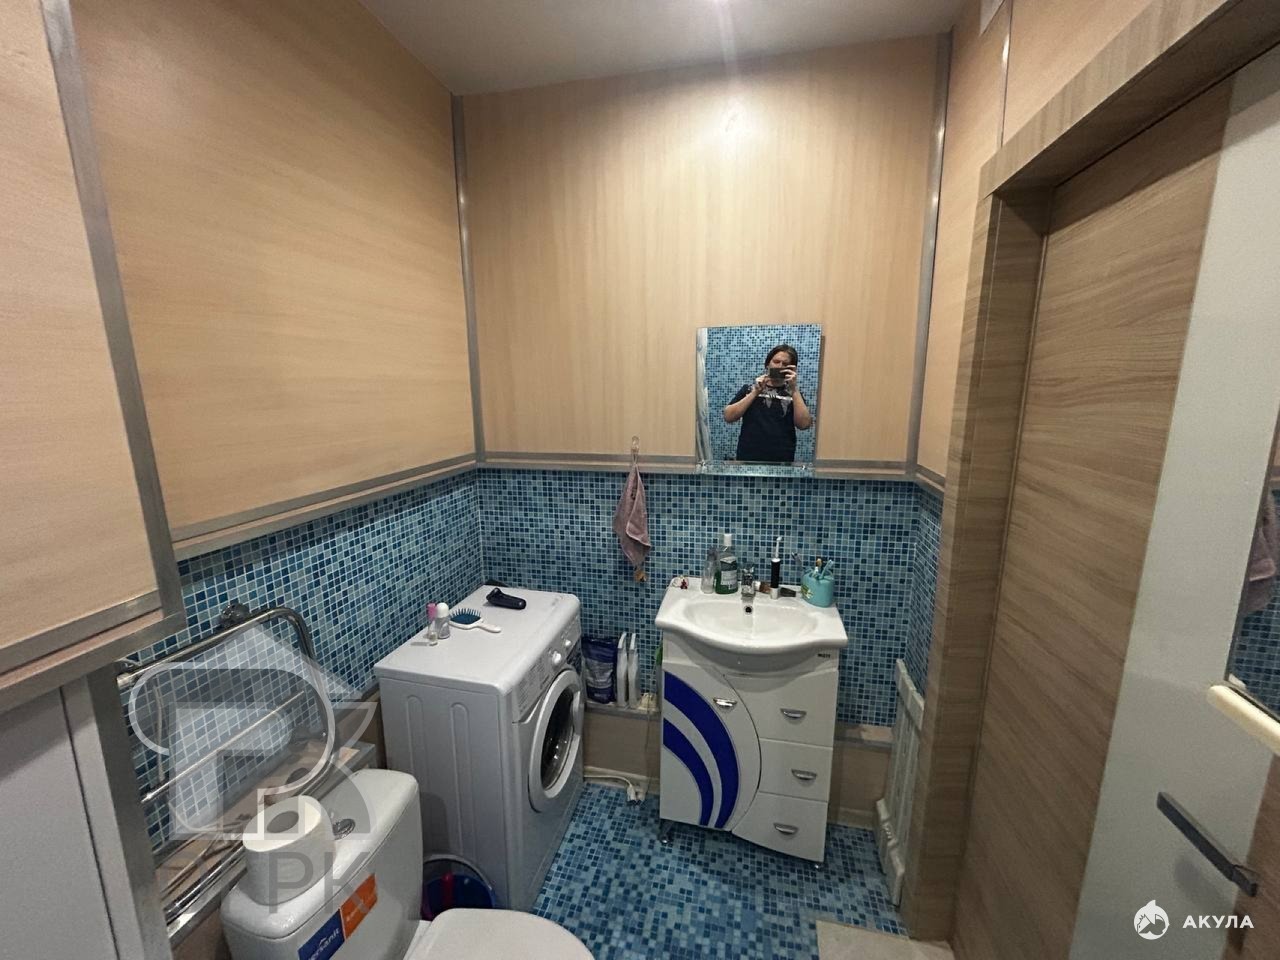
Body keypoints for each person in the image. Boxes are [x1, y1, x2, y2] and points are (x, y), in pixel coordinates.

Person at [722, 344, 813, 462]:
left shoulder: (795, 394)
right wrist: (755, 392)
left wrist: (794, 389)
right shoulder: (749, 389)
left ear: (791, 369)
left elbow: (804, 424)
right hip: (748, 457)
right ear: (767, 364)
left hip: (782, 460)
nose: (780, 366)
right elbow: (728, 416)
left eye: (785, 364)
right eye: (776, 361)